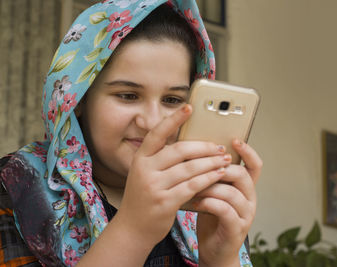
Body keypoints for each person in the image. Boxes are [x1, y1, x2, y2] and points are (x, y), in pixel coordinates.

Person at [0, 0, 262, 266]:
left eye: (172, 100)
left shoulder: (207, 206)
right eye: (128, 95)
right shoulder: (16, 188)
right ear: (77, 100)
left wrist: (220, 259)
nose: (151, 122)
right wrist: (134, 230)